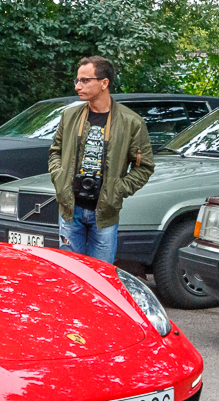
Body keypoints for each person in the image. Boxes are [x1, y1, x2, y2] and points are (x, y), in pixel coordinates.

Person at [47, 55, 155, 264]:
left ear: (104, 83)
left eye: (85, 80)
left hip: (104, 213)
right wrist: (60, 178)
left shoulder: (131, 122)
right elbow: (55, 152)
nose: (78, 86)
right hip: (70, 210)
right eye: (77, 80)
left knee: (102, 274)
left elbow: (144, 167)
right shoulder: (69, 116)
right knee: (71, 272)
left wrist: (117, 190)